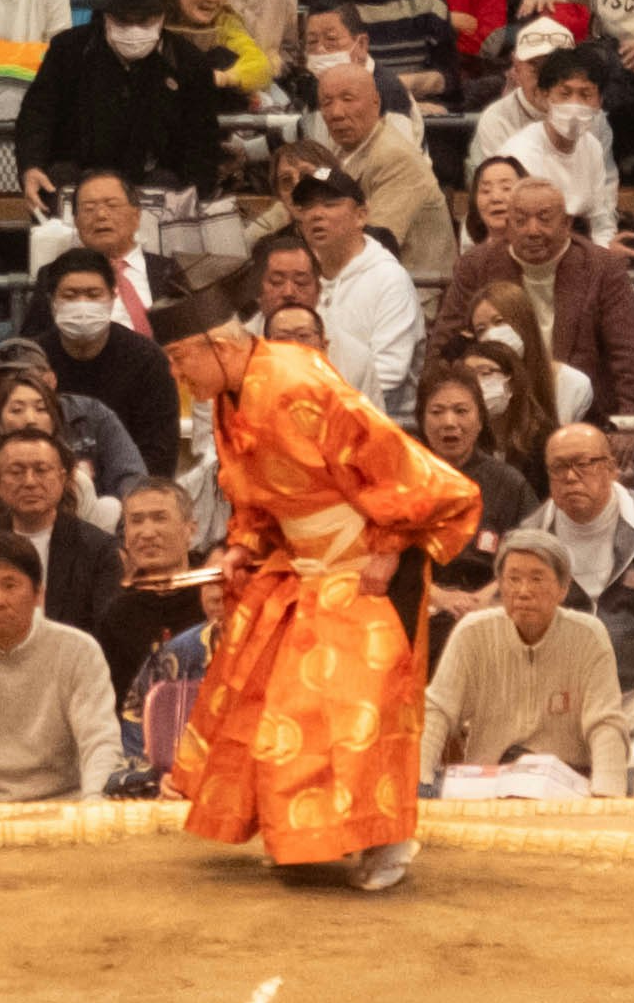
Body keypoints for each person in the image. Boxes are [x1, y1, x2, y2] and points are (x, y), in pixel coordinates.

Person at [143, 272, 484, 891]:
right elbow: (257, 495)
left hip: (373, 563)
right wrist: (244, 543)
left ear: (218, 345)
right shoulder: (227, 399)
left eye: (179, 358)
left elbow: (388, 462)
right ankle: (302, 834)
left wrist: (389, 545)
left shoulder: (297, 382)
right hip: (304, 567)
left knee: (355, 712)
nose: (176, 374)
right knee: (275, 703)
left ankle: (388, 844)